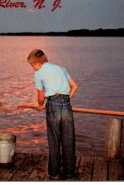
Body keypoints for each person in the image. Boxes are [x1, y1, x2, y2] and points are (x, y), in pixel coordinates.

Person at [27, 49, 78, 180]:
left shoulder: (39, 74)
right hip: (66, 104)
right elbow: (74, 87)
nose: (32, 68)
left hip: (53, 105)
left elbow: (40, 96)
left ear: (36, 63)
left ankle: (54, 173)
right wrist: (65, 100)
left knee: (54, 139)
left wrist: (39, 105)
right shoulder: (61, 68)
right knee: (68, 139)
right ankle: (69, 172)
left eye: (32, 65)